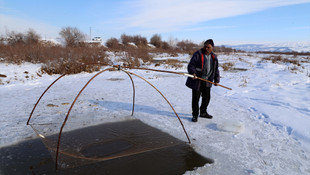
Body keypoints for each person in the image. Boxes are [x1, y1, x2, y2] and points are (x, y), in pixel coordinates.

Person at [185, 39, 220, 122]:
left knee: (206, 98)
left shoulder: (214, 57)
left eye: (208, 47)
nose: (206, 48)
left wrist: (216, 80)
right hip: (197, 80)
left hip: (208, 81)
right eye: (205, 46)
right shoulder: (198, 54)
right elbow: (191, 65)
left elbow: (216, 69)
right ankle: (195, 115)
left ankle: (203, 113)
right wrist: (193, 73)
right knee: (195, 99)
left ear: (212, 47)